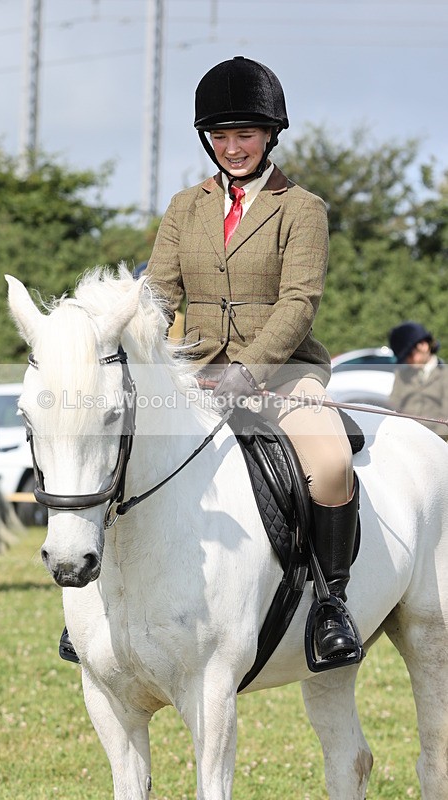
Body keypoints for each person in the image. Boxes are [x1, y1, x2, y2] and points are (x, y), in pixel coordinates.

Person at [140, 55, 362, 671]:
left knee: (329, 462)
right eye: (221, 136)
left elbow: (299, 303)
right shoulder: (185, 208)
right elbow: (158, 294)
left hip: (285, 370)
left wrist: (249, 371)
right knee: (127, 445)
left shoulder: (302, 208)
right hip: (197, 371)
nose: (232, 148)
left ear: (269, 135)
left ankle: (331, 604)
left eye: (245, 134)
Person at [388, 321, 448, 441]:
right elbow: (393, 407)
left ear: (423, 346)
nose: (407, 361)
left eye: (410, 355)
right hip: (405, 438)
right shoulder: (402, 375)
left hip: (437, 440)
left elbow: (445, 415)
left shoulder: (445, 374)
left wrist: (434, 441)